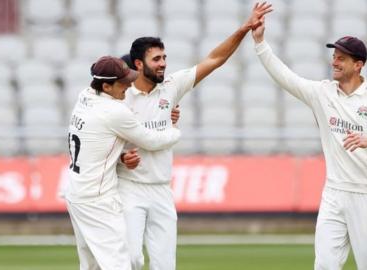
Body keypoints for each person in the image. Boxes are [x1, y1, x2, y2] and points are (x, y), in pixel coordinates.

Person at [116, 3, 273, 270]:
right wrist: (121, 158)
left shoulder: (171, 87)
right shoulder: (121, 96)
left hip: (162, 189)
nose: (164, 63)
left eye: (165, 57)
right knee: (130, 260)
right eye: (157, 59)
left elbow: (214, 59)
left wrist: (244, 29)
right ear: (139, 64)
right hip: (129, 189)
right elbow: (102, 140)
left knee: (165, 265)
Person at [251, 18, 367, 269]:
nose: (334, 62)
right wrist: (260, 42)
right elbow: (285, 77)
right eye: (334, 56)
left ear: (358, 65)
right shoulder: (322, 93)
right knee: (325, 264)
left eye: (341, 58)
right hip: (334, 192)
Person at [65, 56, 182, 270]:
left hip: (75, 193)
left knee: (92, 266)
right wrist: (173, 131)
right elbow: (151, 140)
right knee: (120, 264)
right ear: (106, 86)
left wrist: (119, 157)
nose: (129, 86)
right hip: (97, 199)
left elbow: (99, 140)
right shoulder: (114, 112)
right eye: (123, 82)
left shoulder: (85, 96)